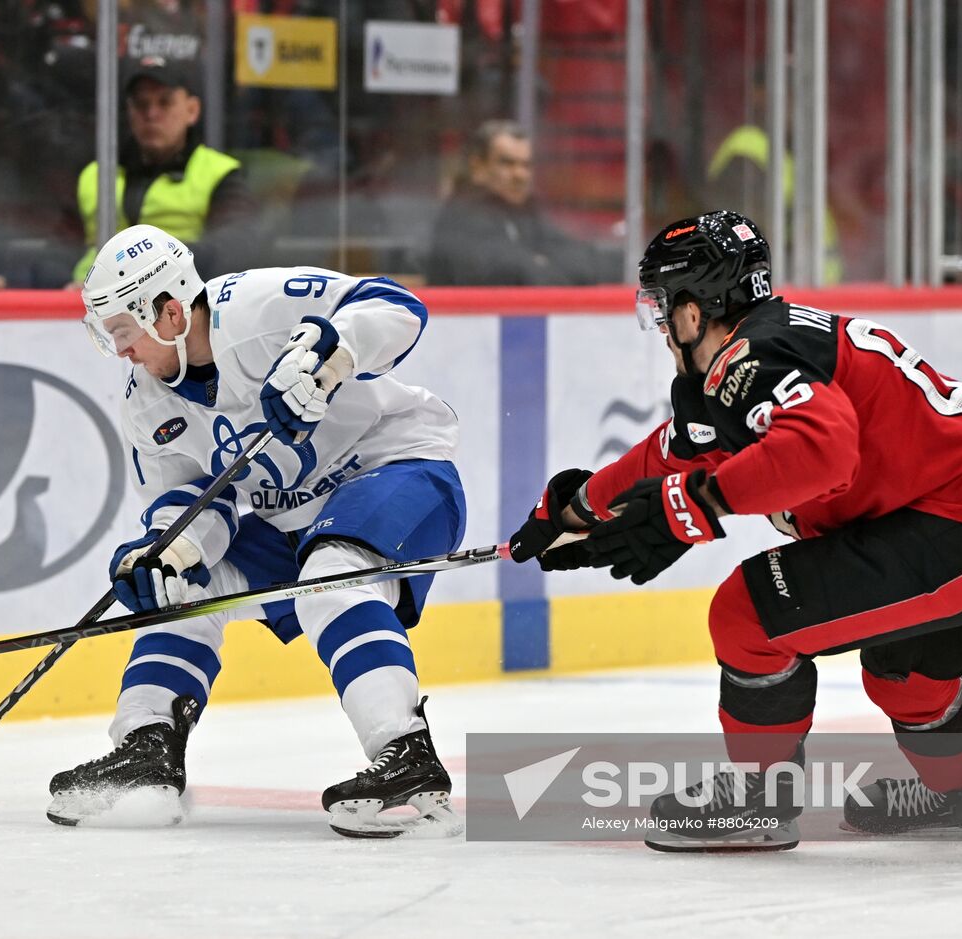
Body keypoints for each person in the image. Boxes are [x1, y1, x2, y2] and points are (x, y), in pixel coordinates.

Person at [508, 209, 962, 852]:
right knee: (903, 677)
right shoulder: (764, 346)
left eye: (663, 309)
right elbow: (679, 450)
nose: (662, 328)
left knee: (749, 615)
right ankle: (961, 791)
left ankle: (758, 802)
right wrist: (576, 506)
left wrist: (697, 503)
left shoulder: (753, 356)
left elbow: (823, 451)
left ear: (694, 309)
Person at [51, 222, 465, 838]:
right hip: (288, 516)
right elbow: (189, 496)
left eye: (122, 331)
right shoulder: (146, 401)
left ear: (167, 312)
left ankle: (408, 760)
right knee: (180, 589)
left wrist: (326, 359)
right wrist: (170, 550)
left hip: (395, 468)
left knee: (333, 574)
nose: (121, 351)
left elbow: (397, 306)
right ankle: (147, 751)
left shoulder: (259, 307)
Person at [71, 56, 259, 284]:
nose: (151, 114)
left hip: (176, 305)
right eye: (141, 104)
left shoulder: (220, 174)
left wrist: (148, 265)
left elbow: (234, 248)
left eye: (165, 102)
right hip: (84, 302)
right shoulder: (96, 173)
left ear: (192, 110)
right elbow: (59, 244)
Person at [425, 119, 617, 286]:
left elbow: (587, 263)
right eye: (507, 163)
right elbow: (512, 275)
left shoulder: (525, 212)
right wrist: (540, 263)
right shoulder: (462, 216)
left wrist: (541, 265)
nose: (520, 175)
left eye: (526, 165)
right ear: (478, 166)